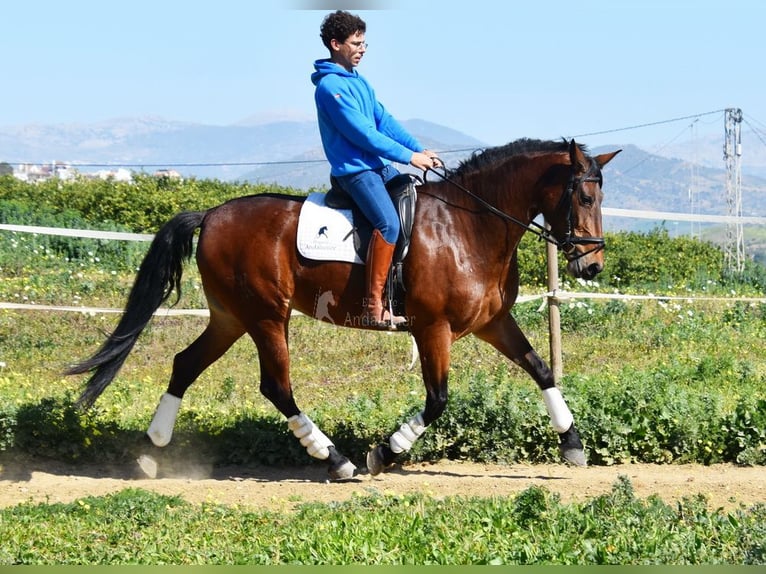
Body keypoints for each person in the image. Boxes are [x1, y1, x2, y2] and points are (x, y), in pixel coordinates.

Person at [311, 10, 440, 329]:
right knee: (389, 224)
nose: (363, 48)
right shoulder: (330, 88)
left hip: (377, 167)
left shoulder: (360, 82)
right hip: (355, 171)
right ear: (335, 44)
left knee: (417, 208)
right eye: (356, 43)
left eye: (364, 42)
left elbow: (384, 121)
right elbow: (364, 135)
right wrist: (409, 158)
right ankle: (373, 306)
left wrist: (418, 148)